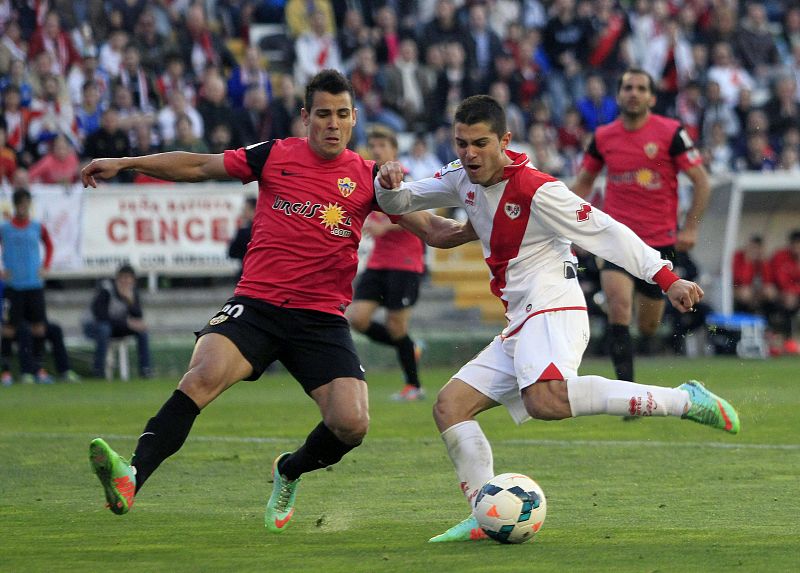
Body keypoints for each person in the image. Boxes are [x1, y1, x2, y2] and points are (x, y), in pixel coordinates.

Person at [80, 69, 472, 528]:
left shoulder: (370, 179)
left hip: (320, 318)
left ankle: (289, 470)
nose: (332, 123)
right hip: (257, 306)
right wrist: (128, 163)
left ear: (353, 119)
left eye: (341, 115)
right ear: (306, 117)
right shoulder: (273, 155)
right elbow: (199, 166)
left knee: (353, 424)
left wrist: (483, 225)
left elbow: (436, 232)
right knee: (202, 376)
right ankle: (131, 475)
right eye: (323, 114)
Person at [374, 94, 739, 543]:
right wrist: (387, 185)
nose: (469, 153)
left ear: (504, 140)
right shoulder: (459, 178)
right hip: (520, 318)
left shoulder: (538, 189)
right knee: (450, 407)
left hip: (554, 303)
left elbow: (608, 232)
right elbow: (409, 202)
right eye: (461, 142)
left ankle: (684, 399)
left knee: (545, 401)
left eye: (480, 143)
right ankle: (484, 511)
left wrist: (667, 279)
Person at [572, 68, 710, 390]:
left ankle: (648, 340)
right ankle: (629, 394)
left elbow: (702, 181)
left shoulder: (672, 133)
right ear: (618, 96)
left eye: (640, 88)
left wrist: (690, 228)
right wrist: (556, 217)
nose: (633, 93)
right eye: (627, 87)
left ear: (651, 97)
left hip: (660, 241)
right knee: (618, 308)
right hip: (616, 238)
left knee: (649, 325)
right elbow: (583, 183)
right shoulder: (603, 137)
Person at [347, 127, 426, 401]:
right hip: (379, 261)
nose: (377, 150)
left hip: (405, 262)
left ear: (394, 149)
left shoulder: (406, 176)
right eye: (373, 145)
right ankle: (409, 346)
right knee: (356, 318)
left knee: (396, 327)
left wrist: (385, 227)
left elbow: (422, 215)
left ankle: (414, 386)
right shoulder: (370, 178)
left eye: (382, 145)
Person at [0, 188, 54, 385]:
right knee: (8, 328)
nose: (23, 207)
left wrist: (46, 265)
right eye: (20, 204)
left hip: (34, 284)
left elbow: (49, 244)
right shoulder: (5, 228)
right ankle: (5, 372)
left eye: (26, 203)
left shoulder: (37, 226)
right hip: (14, 285)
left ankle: (38, 369)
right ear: (15, 205)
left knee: (39, 327)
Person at [83, 264, 153, 379]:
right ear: (117, 279)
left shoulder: (133, 292)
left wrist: (130, 302)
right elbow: (101, 317)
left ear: (133, 281)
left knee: (142, 331)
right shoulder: (106, 290)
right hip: (93, 326)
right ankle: (98, 371)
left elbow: (138, 316)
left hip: (115, 326)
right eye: (122, 278)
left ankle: (145, 370)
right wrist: (127, 323)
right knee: (104, 329)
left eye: (128, 278)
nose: (125, 282)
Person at [227, 196, 257, 280]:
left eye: (245, 209)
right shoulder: (266, 229)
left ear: (252, 210)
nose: (243, 212)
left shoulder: (244, 232)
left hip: (247, 273)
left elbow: (231, 252)